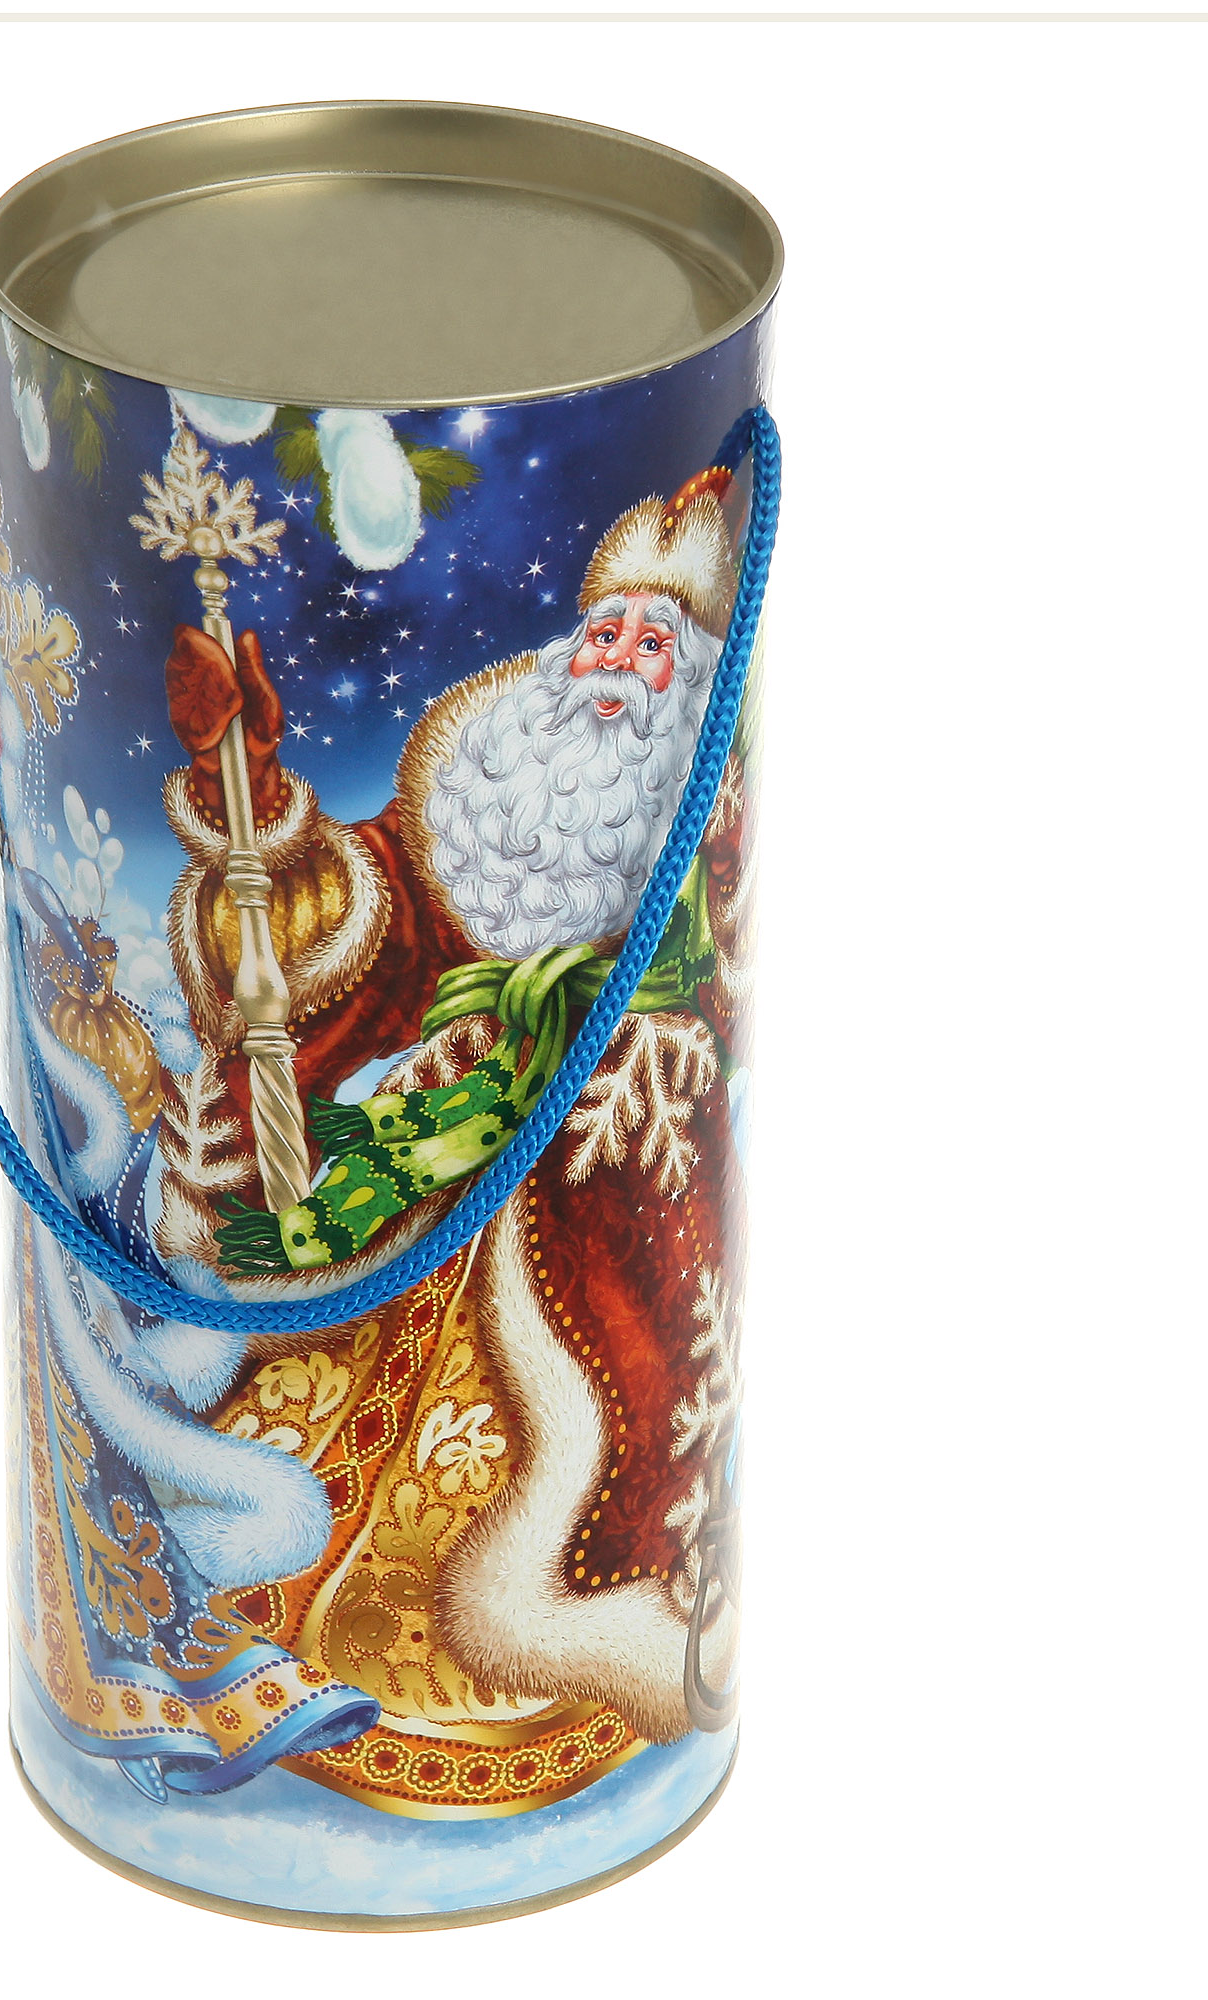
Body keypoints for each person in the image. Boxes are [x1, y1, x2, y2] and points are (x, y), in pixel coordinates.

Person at [147, 469, 757, 1819]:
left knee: (572, 1444)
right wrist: (265, 818)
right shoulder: (496, 799)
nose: (617, 659)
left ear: (695, 679)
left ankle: (574, 1648)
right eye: (604, 633)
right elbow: (376, 917)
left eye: (652, 645)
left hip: (603, 1195)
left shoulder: (706, 835)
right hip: (424, 1184)